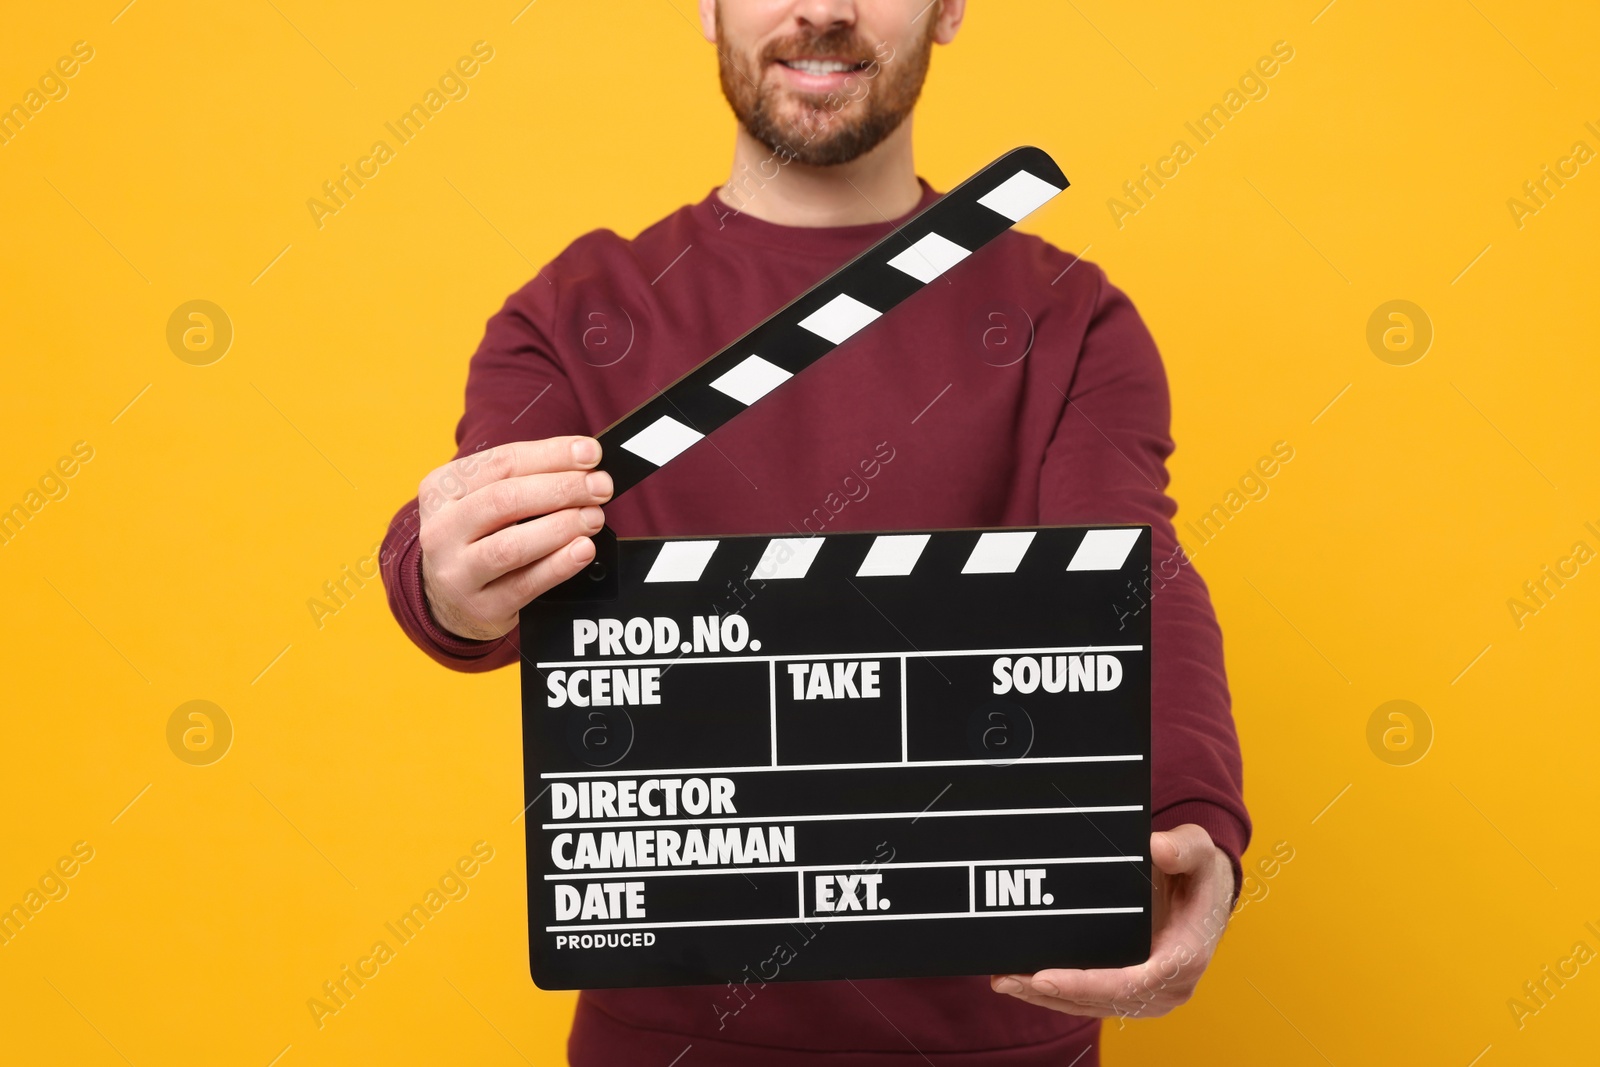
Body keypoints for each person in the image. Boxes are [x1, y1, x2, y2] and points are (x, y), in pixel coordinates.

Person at [379, 1, 1250, 1063]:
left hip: (1002, 1031)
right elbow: (482, 528)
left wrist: (1198, 815)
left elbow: (1133, 571)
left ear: (949, 6)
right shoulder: (572, 314)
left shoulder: (1068, 316)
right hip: (666, 1034)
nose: (823, 6)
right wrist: (440, 576)